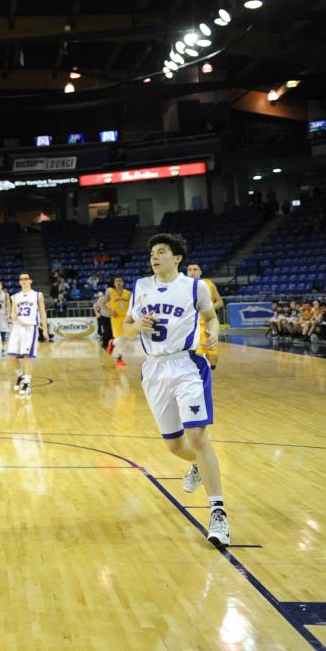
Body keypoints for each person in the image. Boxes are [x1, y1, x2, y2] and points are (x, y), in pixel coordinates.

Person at [120, 233, 228, 547]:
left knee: (197, 436)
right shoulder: (141, 287)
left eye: (162, 251)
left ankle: (218, 512)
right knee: (174, 446)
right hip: (153, 369)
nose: (155, 256)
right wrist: (136, 326)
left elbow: (211, 318)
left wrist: (214, 336)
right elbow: (126, 326)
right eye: (152, 252)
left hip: (187, 365)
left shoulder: (196, 287)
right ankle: (197, 464)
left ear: (176, 257)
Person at [7, 272, 48, 395]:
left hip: (30, 328)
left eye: (26, 279)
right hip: (17, 328)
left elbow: (42, 313)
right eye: (21, 279)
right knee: (11, 356)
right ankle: (21, 376)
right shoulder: (15, 296)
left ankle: (27, 384)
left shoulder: (37, 295)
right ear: (19, 282)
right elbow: (13, 312)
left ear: (30, 281)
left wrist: (45, 330)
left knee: (26, 356)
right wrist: (13, 315)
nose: (24, 281)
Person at [187, 263, 224, 369]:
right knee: (198, 359)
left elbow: (220, 302)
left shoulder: (209, 284)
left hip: (208, 325)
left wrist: (208, 308)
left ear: (200, 272)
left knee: (213, 361)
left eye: (195, 269)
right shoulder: (183, 287)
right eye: (189, 270)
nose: (192, 272)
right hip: (193, 327)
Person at [106, 276, 131, 369]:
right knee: (121, 340)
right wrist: (109, 311)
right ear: (114, 283)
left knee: (125, 340)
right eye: (116, 281)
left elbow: (133, 305)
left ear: (123, 282)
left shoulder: (128, 293)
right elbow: (102, 303)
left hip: (126, 319)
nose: (118, 282)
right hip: (116, 319)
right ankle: (119, 359)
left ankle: (112, 343)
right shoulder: (109, 292)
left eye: (120, 281)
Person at [93, 288, 114, 354]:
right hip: (104, 317)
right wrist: (97, 313)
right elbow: (95, 306)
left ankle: (110, 345)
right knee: (106, 331)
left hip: (111, 317)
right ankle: (104, 345)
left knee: (111, 331)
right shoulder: (101, 299)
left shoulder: (113, 299)